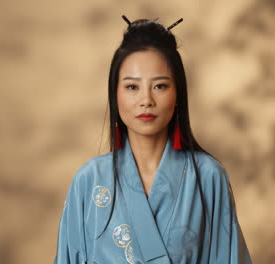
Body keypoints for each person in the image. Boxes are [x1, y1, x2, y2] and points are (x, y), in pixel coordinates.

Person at [54, 16, 252, 264]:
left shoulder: (208, 177)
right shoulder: (89, 180)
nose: (146, 100)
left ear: (178, 94)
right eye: (132, 87)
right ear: (115, 96)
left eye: (159, 86)